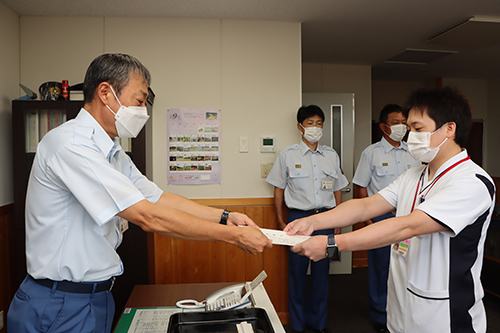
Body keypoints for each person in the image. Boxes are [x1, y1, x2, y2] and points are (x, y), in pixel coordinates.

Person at [7, 53, 272, 333]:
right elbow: (148, 216)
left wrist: (225, 216)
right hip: (60, 301)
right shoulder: (72, 145)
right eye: (140, 100)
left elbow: (158, 197)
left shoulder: (112, 150)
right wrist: (234, 237)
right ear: (106, 93)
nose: (143, 111)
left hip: (96, 297)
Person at [285, 86, 495, 333]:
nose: (410, 136)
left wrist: (331, 244)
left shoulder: (471, 182)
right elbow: (366, 205)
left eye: (418, 129)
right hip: (402, 305)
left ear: (449, 129)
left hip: (444, 314)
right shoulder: (414, 175)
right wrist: (314, 222)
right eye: (410, 129)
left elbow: (407, 225)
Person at [266, 105, 349, 333]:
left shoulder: (331, 155)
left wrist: (338, 221)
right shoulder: (287, 155)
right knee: (297, 274)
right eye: (310, 123)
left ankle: (318, 323)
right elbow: (278, 190)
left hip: (326, 221)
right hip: (297, 221)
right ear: (300, 127)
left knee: (323, 275)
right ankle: (298, 325)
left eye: (319, 123)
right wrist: (281, 221)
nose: (315, 127)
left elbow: (338, 189)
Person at [352, 104, 420, 332]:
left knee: (405, 266)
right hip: (381, 219)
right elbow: (360, 186)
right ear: (383, 126)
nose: (401, 127)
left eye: (404, 122)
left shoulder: (413, 151)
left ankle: (402, 312)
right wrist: (367, 220)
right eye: (395, 122)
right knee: (381, 269)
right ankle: (380, 315)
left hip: (408, 219)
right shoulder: (371, 153)